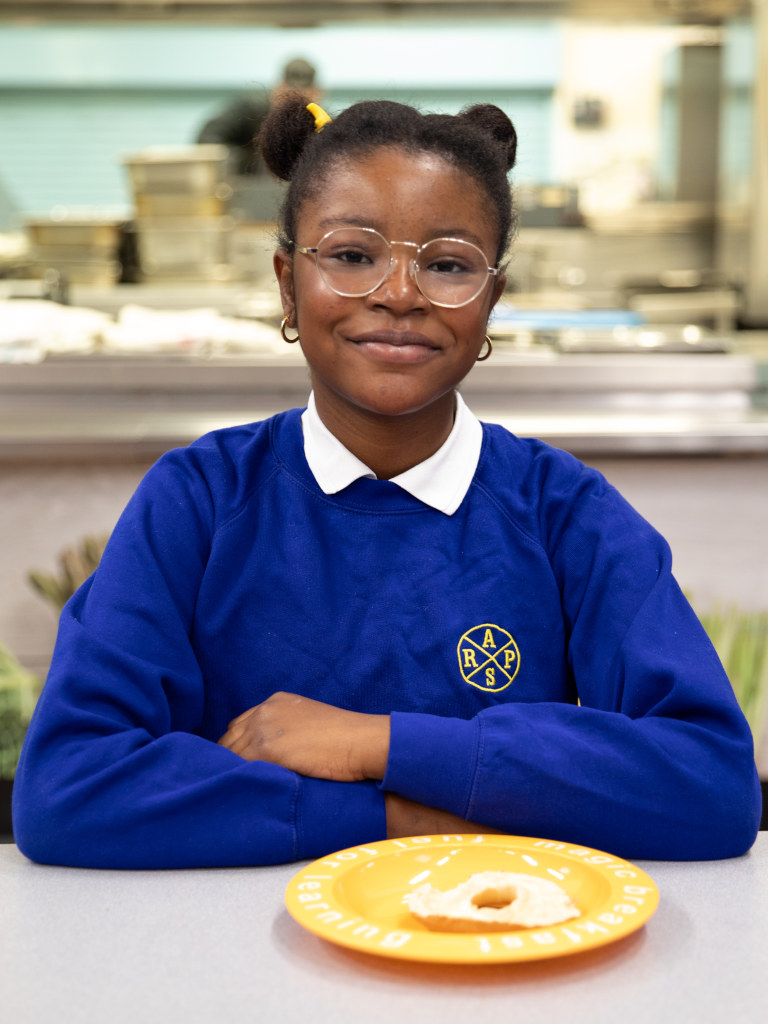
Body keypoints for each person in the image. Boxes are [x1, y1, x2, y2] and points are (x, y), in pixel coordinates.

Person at [13, 97, 761, 869]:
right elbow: (69, 790)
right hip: (239, 957)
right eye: (351, 255)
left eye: (447, 264)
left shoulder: (562, 512)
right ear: (285, 285)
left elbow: (709, 785)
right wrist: (395, 815)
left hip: (495, 955)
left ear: (492, 301)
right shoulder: (199, 500)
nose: (400, 293)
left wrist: (379, 742)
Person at [195, 58, 319, 175]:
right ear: (277, 90)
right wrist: (244, 162)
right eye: (289, 97)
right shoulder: (250, 110)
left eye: (301, 102)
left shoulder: (321, 125)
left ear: (317, 94)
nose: (294, 111)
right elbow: (208, 138)